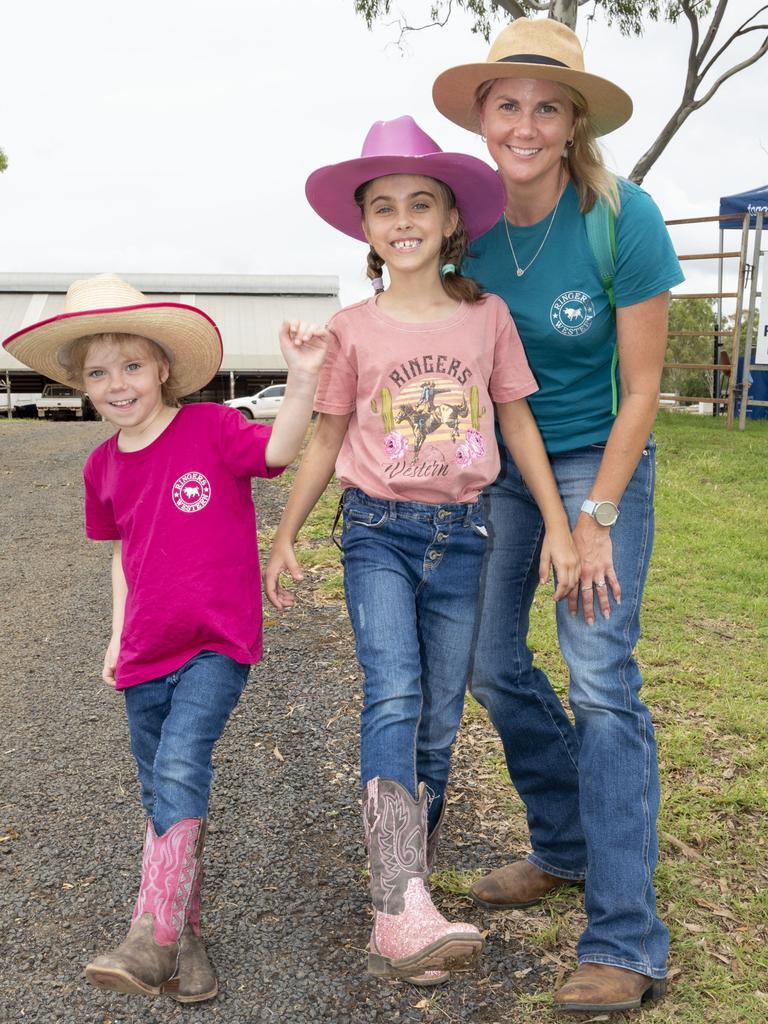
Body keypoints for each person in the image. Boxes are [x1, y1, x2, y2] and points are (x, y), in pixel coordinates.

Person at [263, 115, 580, 986]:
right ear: (365, 229)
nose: (403, 220)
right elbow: (327, 439)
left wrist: (556, 522)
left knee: (441, 716)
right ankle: (398, 903)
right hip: (376, 532)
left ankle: (408, 892)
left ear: (450, 222)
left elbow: (515, 419)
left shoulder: (487, 318)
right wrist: (286, 534)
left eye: (421, 204)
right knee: (396, 691)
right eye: (384, 207)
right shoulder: (352, 329)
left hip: (466, 537)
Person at [432, 18, 684, 1013]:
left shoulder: (623, 217)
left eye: (548, 105)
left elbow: (642, 386)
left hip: (602, 454)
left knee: (601, 674)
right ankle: (567, 843)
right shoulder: (466, 227)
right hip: (504, 459)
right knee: (490, 658)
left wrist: (594, 519)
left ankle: (627, 937)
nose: (527, 123)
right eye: (509, 104)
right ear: (484, 118)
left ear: (574, 121)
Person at [2, 273, 328, 1003]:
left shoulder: (211, 431)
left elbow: (278, 449)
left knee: (181, 764)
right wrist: (116, 638)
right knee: (160, 794)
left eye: (132, 366)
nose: (117, 384)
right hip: (145, 653)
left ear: (164, 370)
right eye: (97, 372)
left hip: (216, 642)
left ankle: (151, 931)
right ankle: (184, 942)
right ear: (81, 384)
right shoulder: (101, 465)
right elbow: (121, 553)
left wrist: (303, 378)